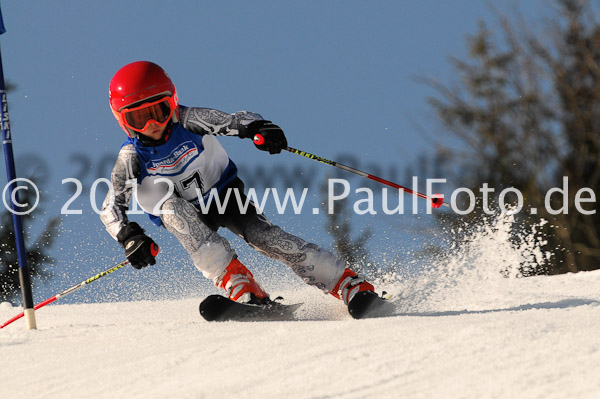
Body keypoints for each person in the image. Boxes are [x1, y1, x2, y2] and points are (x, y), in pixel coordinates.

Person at [101, 60, 377, 308]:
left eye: (159, 111)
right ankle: (239, 282)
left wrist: (259, 129)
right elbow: (110, 207)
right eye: (138, 117)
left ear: (172, 103)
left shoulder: (189, 120)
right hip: (184, 213)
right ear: (122, 120)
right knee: (173, 209)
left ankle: (347, 283)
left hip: (225, 196)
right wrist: (129, 236)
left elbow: (233, 121)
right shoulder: (131, 157)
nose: (151, 124)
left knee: (267, 238)